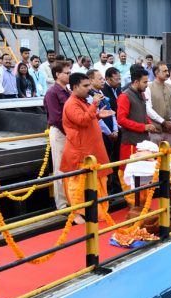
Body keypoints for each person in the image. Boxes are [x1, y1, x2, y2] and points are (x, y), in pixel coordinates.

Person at [60, 72, 114, 225]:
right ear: (75, 87)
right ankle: (77, 213)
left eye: (89, 85)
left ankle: (95, 212)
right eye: (85, 86)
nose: (89, 88)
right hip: (81, 153)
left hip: (92, 151)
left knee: (97, 181)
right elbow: (82, 120)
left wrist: (98, 116)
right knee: (78, 184)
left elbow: (87, 118)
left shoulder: (82, 101)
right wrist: (95, 105)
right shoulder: (71, 103)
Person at [117, 65, 157, 204]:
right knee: (128, 172)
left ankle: (143, 203)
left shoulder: (141, 94)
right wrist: (143, 126)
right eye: (145, 82)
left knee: (143, 173)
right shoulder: (124, 96)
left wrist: (148, 123)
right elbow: (121, 120)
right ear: (136, 82)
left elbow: (143, 113)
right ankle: (134, 204)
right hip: (130, 143)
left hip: (142, 142)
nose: (147, 85)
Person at [43, 61, 72, 210]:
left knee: (70, 168)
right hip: (60, 132)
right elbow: (56, 118)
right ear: (57, 74)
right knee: (60, 167)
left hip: (69, 132)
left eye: (69, 72)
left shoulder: (67, 91)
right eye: (66, 73)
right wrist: (70, 132)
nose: (69, 75)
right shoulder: (52, 92)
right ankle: (61, 204)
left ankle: (71, 199)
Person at [86, 69, 118, 173]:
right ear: (91, 81)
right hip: (102, 135)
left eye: (103, 79)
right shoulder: (90, 97)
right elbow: (96, 118)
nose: (103, 81)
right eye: (100, 79)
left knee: (110, 163)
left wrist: (115, 129)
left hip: (111, 134)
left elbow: (111, 112)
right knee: (101, 166)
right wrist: (109, 133)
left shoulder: (101, 93)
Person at [102, 67, 123, 194]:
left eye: (120, 78)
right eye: (116, 79)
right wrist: (112, 130)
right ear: (108, 79)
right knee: (108, 159)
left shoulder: (119, 89)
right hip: (108, 131)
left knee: (117, 158)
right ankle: (109, 188)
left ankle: (116, 185)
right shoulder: (103, 91)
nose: (119, 81)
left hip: (118, 128)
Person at [145, 62, 171, 146]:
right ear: (156, 73)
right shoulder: (148, 87)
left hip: (169, 129)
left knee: (168, 156)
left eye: (167, 71)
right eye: (164, 71)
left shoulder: (170, 87)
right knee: (154, 157)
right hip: (155, 130)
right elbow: (148, 109)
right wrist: (162, 122)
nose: (167, 73)